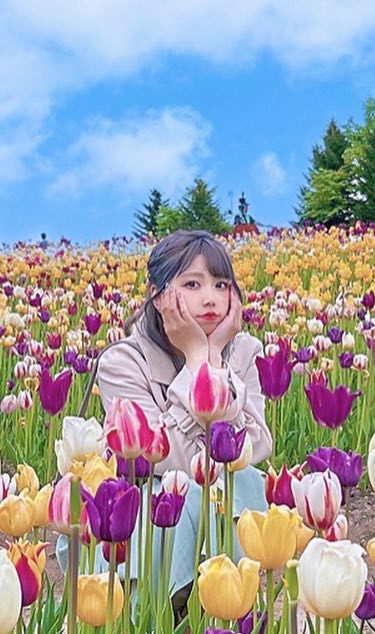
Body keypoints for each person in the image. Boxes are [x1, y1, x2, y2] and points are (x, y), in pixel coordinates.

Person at [74, 229, 273, 609]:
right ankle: (167, 627)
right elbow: (158, 457)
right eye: (192, 284)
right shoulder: (122, 361)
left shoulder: (246, 351)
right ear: (158, 294)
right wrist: (200, 359)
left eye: (220, 284)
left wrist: (209, 358)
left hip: (222, 497)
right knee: (186, 495)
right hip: (147, 504)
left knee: (236, 482)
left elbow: (256, 444)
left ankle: (225, 606)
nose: (211, 298)